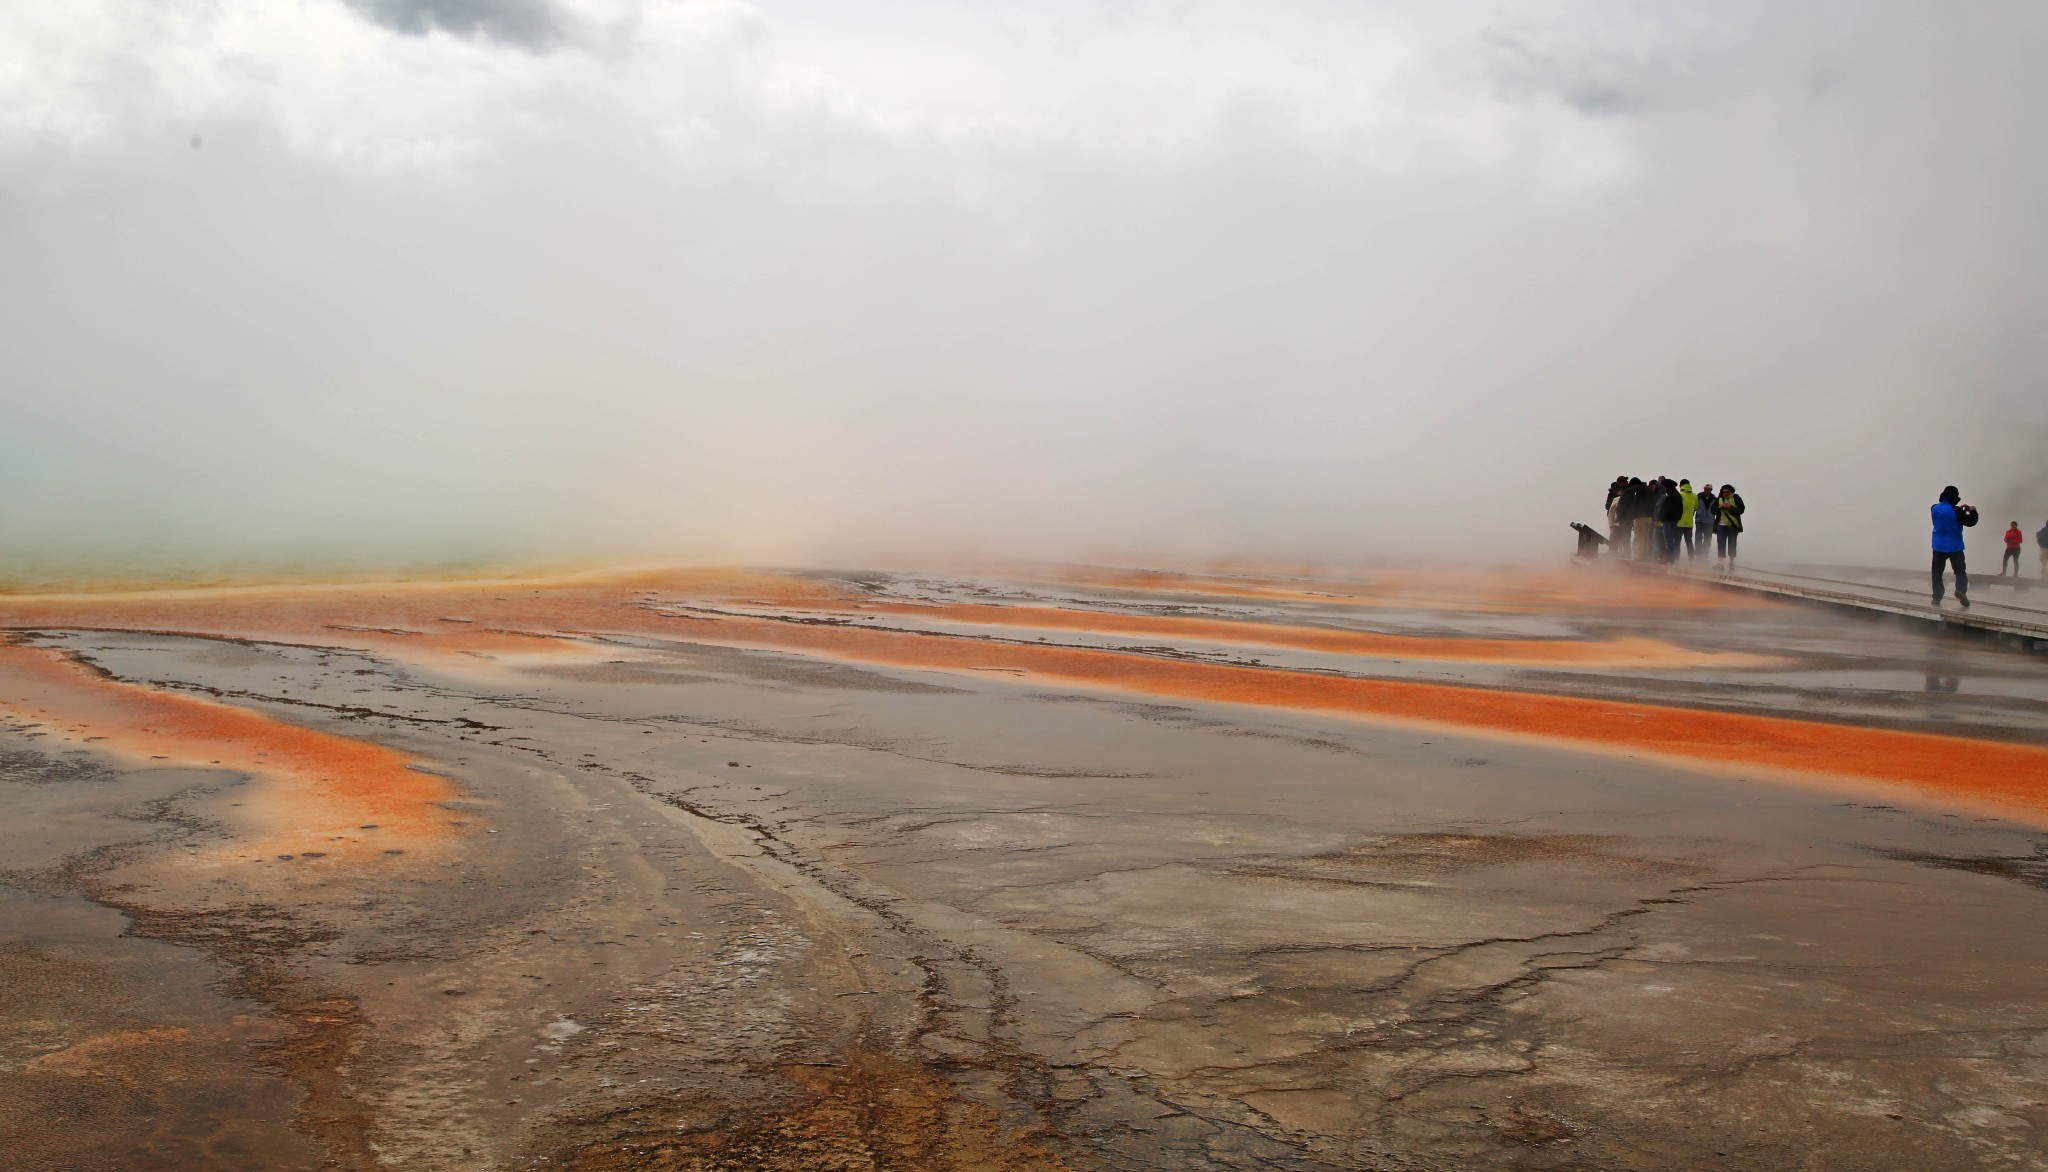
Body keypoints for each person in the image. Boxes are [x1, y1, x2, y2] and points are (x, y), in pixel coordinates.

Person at [1930, 485, 1978, 607]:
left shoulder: (1934, 508)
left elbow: (1945, 515)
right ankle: (1961, 591)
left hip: (1938, 546)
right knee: (1960, 572)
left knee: (1936, 573)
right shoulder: (1957, 511)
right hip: (1954, 547)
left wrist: (1960, 510)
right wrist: (1973, 511)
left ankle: (1936, 598)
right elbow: (1970, 522)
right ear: (1955, 497)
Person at [1714, 484, 1745, 567]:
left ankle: (1731, 562)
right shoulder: (1719, 499)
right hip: (1721, 524)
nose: (1725, 493)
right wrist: (1719, 507)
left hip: (1733, 525)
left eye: (1727, 492)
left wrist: (1731, 507)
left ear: (1731, 492)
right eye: (1723, 492)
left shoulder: (1736, 498)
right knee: (1720, 542)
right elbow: (1713, 510)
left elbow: (1741, 510)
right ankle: (1720, 562)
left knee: (1732, 543)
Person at [1654, 477, 1684, 562]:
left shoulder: (1673, 497)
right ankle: (1669, 558)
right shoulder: (1674, 495)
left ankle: (1670, 559)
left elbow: (1669, 510)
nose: (1664, 489)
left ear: (1668, 487)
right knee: (1669, 540)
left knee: (1669, 540)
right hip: (1671, 520)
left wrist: (1662, 517)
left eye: (1665, 487)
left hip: (1669, 521)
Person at [1675, 479, 1699, 560]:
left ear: (1681, 485)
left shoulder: (1679, 495)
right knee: (1689, 541)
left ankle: (1676, 557)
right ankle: (1691, 558)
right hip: (1689, 522)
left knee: (1677, 542)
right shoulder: (1694, 496)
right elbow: (1696, 508)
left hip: (1679, 522)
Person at [1693, 483, 1717, 561]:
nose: (1706, 490)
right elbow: (1694, 507)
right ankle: (1698, 554)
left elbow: (1716, 510)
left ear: (1711, 490)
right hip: (1699, 520)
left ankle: (1705, 554)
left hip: (1709, 521)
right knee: (1698, 537)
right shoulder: (1699, 496)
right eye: (1705, 489)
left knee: (1707, 539)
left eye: (1708, 489)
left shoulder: (1714, 498)